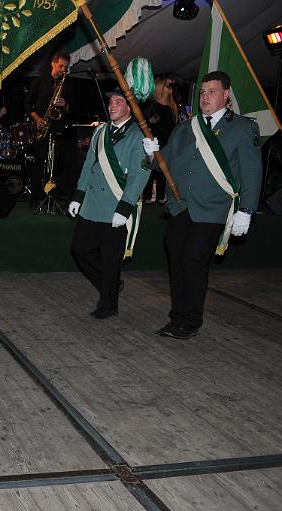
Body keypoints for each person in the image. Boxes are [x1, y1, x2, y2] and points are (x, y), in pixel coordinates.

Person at [143, 71, 261, 340]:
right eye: (203, 92)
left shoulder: (243, 128)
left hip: (213, 207)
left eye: (212, 92)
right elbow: (164, 164)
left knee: (192, 259)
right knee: (176, 262)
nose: (205, 97)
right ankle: (177, 317)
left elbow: (252, 171)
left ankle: (191, 320)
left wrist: (247, 210)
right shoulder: (186, 127)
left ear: (226, 95)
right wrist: (151, 154)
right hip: (180, 205)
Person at [68, 88, 150, 319]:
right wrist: (78, 195)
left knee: (110, 258)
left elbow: (139, 175)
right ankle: (111, 284)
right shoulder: (100, 131)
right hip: (93, 202)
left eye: (118, 102)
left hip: (116, 204)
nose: (112, 106)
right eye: (111, 101)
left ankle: (109, 304)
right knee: (79, 249)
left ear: (130, 107)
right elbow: (89, 164)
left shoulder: (139, 135)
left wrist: (125, 208)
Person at [25, 51, 74, 203]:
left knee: (56, 164)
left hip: (58, 129)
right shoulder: (39, 81)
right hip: (41, 128)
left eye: (65, 67)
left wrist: (65, 104)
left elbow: (72, 110)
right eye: (61, 66)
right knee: (40, 162)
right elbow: (27, 103)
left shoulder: (66, 84)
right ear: (53, 63)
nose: (63, 70)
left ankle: (52, 195)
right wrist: (37, 118)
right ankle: (36, 197)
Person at [141, 73, 183, 204]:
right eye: (167, 85)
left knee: (164, 170)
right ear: (160, 87)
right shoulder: (152, 105)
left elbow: (175, 125)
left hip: (168, 142)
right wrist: (150, 121)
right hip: (154, 142)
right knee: (151, 170)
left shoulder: (173, 106)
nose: (170, 87)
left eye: (171, 85)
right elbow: (142, 122)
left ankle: (160, 195)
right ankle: (147, 195)